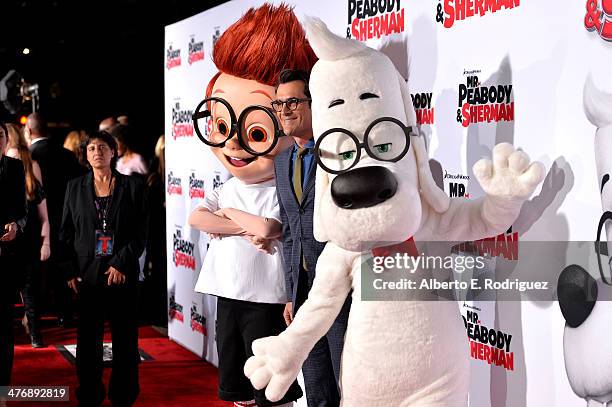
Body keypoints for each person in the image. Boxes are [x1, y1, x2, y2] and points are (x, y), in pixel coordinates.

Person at [188, 5, 313, 406]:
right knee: (236, 383)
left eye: (254, 130)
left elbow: (270, 229)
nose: (232, 144)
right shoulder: (226, 186)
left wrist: (230, 218)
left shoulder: (286, 178)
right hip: (229, 293)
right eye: (222, 127)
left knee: (272, 388)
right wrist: (245, 223)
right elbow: (196, 216)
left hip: (269, 297)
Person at [272, 69, 350, 406]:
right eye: (278, 104)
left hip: (341, 290)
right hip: (304, 293)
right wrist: (292, 292)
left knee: (347, 380)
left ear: (313, 103)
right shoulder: (281, 160)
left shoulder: (339, 151)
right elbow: (290, 232)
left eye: (293, 101)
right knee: (316, 384)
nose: (285, 110)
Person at [59, 131, 146, 406]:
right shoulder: (74, 187)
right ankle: (89, 393)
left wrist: (122, 262)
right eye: (92, 148)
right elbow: (66, 233)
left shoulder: (133, 187)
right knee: (88, 341)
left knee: (125, 339)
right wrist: (69, 270)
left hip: (122, 272)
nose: (97, 152)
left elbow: (141, 233)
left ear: (113, 152)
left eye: (103, 147)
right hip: (88, 274)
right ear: (85, 155)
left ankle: (123, 394)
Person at [26, 112, 83, 327]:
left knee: (38, 269)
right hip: (66, 219)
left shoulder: (29, 157)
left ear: (29, 131)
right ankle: (65, 312)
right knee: (64, 267)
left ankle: (37, 315)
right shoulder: (67, 155)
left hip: (39, 220)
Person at [5, 123, 50, 347]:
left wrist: (46, 243)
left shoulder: (33, 184)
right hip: (9, 244)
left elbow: (44, 216)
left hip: (28, 243)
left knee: (30, 289)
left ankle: (34, 331)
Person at [0, 120, 27, 386]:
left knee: (4, 330)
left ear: (7, 140)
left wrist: (17, 226)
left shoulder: (16, 167)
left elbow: (23, 212)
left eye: (0, 135)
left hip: (5, 259)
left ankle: (3, 386)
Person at [144, 135, 166, 326]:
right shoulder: (153, 178)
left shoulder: (154, 177)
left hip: (167, 232)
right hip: (157, 231)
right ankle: (158, 312)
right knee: (157, 270)